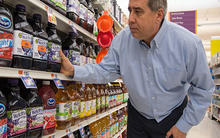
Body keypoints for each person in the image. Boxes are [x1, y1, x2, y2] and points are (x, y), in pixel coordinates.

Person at [60, 0, 215, 137]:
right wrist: (73, 71)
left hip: (172, 118)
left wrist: (183, 126)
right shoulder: (122, 40)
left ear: (158, 15)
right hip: (137, 118)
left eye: (138, 12)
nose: (131, 19)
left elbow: (203, 89)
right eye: (130, 10)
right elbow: (105, 70)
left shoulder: (188, 44)